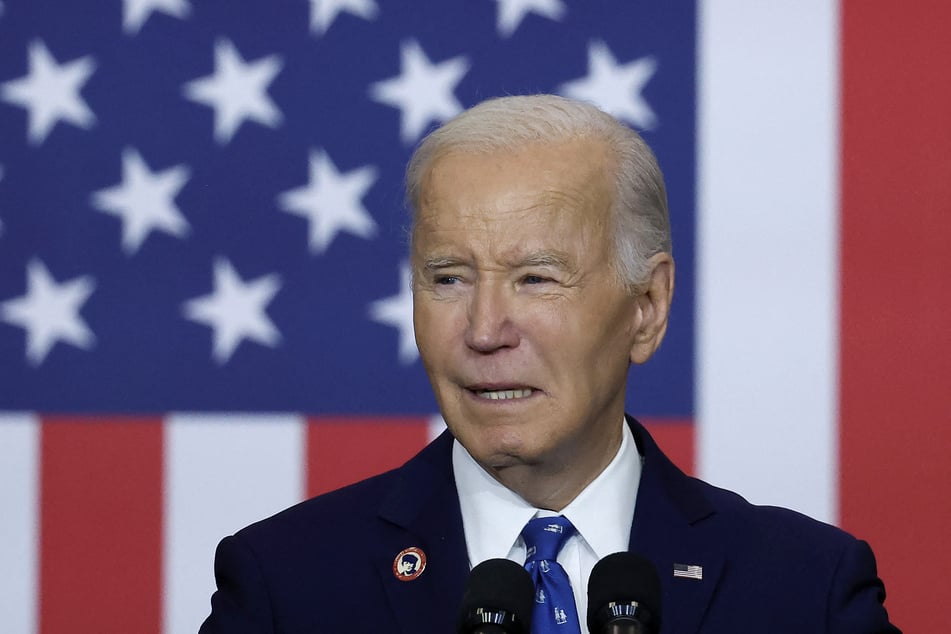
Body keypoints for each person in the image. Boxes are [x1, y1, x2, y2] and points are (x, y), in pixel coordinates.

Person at [199, 95, 898, 633]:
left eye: (535, 278)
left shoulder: (804, 592)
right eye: (447, 278)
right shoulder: (287, 586)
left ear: (646, 307)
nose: (483, 329)